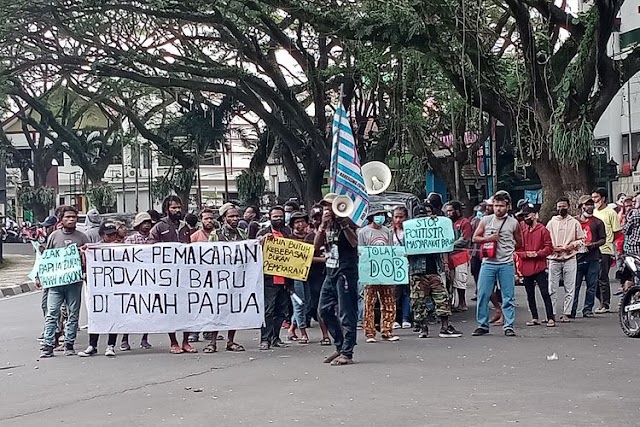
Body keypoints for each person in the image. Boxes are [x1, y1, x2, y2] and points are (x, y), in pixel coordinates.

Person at [38, 206, 90, 358]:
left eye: (73, 217)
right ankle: (48, 345)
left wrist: (83, 254)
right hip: (55, 284)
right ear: (61, 220)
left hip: (74, 283)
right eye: (68, 217)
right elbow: (47, 258)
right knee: (52, 313)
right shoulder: (54, 236)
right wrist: (40, 277)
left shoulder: (82, 237)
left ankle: (69, 344)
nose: (71, 220)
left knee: (73, 314)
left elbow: (89, 257)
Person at [315, 193, 359, 366]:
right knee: (323, 310)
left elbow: (355, 243)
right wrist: (322, 227)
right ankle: (340, 345)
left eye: (329, 207)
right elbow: (316, 247)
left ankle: (347, 352)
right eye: (324, 207)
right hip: (330, 271)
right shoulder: (325, 225)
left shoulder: (347, 223)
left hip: (345, 272)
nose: (326, 210)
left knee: (346, 312)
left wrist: (343, 225)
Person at [149, 195, 196, 354]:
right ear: (166, 209)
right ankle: (173, 341)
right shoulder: (159, 227)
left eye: (178, 207)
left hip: (184, 274)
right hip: (166, 275)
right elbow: (151, 248)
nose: (177, 210)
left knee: (186, 308)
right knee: (171, 309)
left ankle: (185, 341)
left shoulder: (185, 227)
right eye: (173, 208)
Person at [472, 193, 522, 337]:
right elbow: (476, 237)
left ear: (507, 206)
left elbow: (519, 242)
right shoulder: (486, 220)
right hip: (488, 263)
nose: (498, 209)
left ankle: (509, 325)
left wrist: (509, 249)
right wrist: (489, 238)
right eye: (496, 205)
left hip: (506, 263)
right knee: (482, 294)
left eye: (501, 206)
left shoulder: (513, 223)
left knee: (508, 296)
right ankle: (482, 324)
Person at [409, 205, 463, 339]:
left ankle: (445, 327)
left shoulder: (434, 227)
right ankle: (423, 328)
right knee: (418, 302)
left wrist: (436, 222)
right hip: (417, 272)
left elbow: (446, 238)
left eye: (425, 216)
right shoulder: (410, 231)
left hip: (434, 271)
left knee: (442, 298)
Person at [202, 204, 247, 353]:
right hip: (219, 280)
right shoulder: (216, 235)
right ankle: (212, 342)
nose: (235, 219)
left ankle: (230, 341)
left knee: (234, 310)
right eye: (231, 216)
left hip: (237, 278)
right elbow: (209, 255)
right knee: (217, 310)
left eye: (236, 216)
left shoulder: (242, 233)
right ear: (223, 218)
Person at [78, 222, 121, 357]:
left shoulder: (121, 249)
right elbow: (86, 265)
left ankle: (111, 345)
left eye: (114, 234)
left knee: (113, 315)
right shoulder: (94, 249)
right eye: (109, 235)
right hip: (98, 288)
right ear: (102, 235)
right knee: (95, 314)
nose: (112, 237)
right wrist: (85, 252)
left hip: (115, 287)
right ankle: (92, 345)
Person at [358, 206, 399, 343]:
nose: (380, 217)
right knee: (369, 302)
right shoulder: (363, 232)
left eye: (382, 214)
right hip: (370, 272)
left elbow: (390, 250)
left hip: (385, 271)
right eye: (378, 215)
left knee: (388, 302)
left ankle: (387, 331)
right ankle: (370, 333)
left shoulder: (387, 231)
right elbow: (360, 252)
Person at [257, 206, 292, 350]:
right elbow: (253, 248)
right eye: (275, 216)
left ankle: (276, 337)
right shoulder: (263, 233)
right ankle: (265, 339)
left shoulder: (287, 233)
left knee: (281, 311)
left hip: (285, 279)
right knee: (268, 310)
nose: (278, 219)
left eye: (281, 216)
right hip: (269, 279)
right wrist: (262, 241)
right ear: (270, 218)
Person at [120, 212, 155, 351]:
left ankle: (144, 339)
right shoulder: (130, 240)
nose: (146, 225)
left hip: (150, 279)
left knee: (148, 309)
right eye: (143, 223)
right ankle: (125, 338)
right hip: (133, 280)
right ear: (138, 225)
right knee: (130, 310)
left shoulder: (154, 240)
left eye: (148, 223)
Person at [515, 204, 555, 327]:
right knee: (529, 294)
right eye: (524, 216)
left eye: (527, 215)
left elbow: (549, 248)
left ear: (534, 215)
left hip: (539, 266)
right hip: (526, 267)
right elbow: (517, 247)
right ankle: (534, 317)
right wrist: (526, 254)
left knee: (544, 293)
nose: (525, 218)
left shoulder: (543, 230)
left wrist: (537, 254)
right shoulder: (522, 229)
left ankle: (550, 317)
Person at [546, 197, 584, 323]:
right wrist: (553, 248)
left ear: (568, 206)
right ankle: (551, 314)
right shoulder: (551, 223)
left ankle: (567, 313)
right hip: (554, 258)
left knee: (570, 287)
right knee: (552, 288)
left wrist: (572, 245)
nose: (561, 208)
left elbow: (582, 239)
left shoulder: (574, 222)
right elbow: (545, 240)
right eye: (559, 206)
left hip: (570, 258)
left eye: (563, 206)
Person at [571, 196, 606, 319]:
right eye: (587, 204)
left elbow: (603, 239)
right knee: (575, 285)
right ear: (581, 207)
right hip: (577, 257)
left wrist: (594, 244)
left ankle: (587, 309)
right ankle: (571, 310)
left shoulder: (598, 222)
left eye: (592, 204)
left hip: (593, 257)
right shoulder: (574, 222)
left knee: (592, 285)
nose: (590, 207)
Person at [591, 188, 622, 313]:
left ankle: (605, 304)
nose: (594, 200)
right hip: (593, 248)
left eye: (596, 197)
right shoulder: (593, 212)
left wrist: (608, 241)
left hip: (605, 249)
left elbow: (617, 232)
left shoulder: (610, 213)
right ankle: (600, 300)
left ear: (603, 198)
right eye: (592, 197)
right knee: (592, 278)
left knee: (602, 277)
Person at [305, 206, 331, 345]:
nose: (317, 220)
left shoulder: (332, 233)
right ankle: (325, 334)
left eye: (319, 217)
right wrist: (324, 260)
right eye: (314, 218)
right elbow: (306, 257)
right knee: (319, 306)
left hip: (331, 273)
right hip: (315, 276)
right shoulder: (309, 237)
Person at [287, 211, 312, 344]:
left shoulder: (310, 237)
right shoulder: (288, 239)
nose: (300, 224)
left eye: (302, 221)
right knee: (299, 303)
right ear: (292, 225)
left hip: (308, 275)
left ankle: (292, 328)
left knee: (306, 303)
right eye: (297, 222)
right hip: (294, 276)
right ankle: (303, 332)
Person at [446, 200, 472, 311]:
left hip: (460, 255)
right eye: (447, 211)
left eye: (450, 211)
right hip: (448, 255)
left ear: (457, 211)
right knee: (449, 280)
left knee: (460, 280)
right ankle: (451, 302)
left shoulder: (464, 223)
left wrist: (448, 245)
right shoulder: (446, 223)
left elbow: (465, 239)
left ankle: (462, 302)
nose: (448, 213)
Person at [392, 206, 412, 329]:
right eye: (396, 217)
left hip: (408, 265)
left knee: (406, 293)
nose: (398, 220)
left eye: (401, 217)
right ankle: (394, 318)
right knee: (394, 294)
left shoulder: (410, 231)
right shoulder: (389, 232)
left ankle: (406, 318)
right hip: (394, 267)